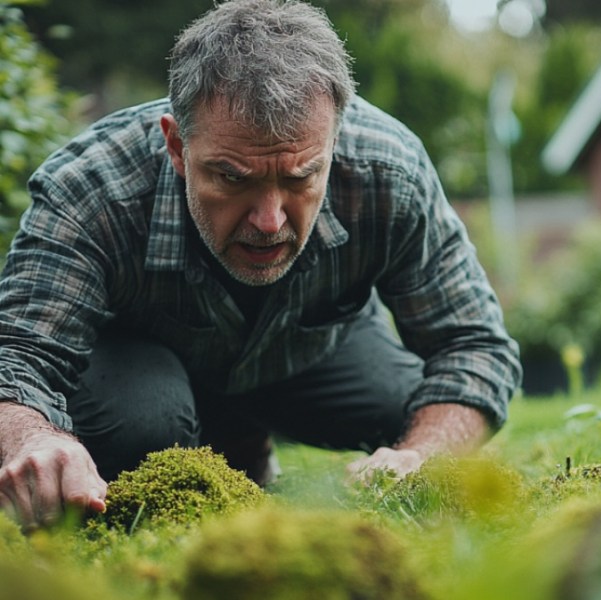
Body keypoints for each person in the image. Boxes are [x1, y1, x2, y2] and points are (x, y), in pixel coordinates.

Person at [0, 0, 521, 530]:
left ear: (333, 143)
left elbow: (474, 346)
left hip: (308, 354)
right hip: (139, 369)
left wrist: (422, 455)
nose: (270, 221)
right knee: (147, 425)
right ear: (177, 146)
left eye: (299, 179)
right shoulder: (92, 188)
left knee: (412, 410)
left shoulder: (390, 172)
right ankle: (224, 443)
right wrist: (34, 437)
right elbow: (15, 354)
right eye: (232, 177)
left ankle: (246, 440)